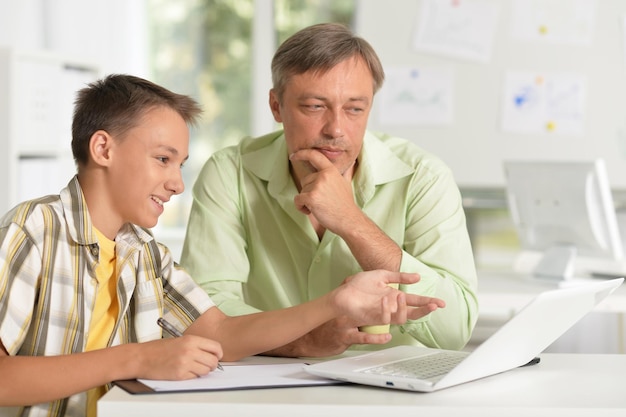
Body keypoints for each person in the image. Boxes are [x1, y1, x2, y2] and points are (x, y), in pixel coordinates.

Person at [0, 74, 445, 417]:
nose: (176, 183)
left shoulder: (146, 254)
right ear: (103, 148)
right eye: (162, 159)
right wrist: (137, 358)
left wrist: (334, 303)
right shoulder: (34, 229)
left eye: (180, 164)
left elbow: (222, 334)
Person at [180, 22, 479, 358]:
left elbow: (454, 330)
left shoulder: (424, 177)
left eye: (354, 109)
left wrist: (351, 221)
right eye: (314, 106)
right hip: (266, 388)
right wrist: (303, 341)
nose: (336, 128)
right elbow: (205, 315)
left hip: (391, 395)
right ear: (276, 106)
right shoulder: (230, 172)